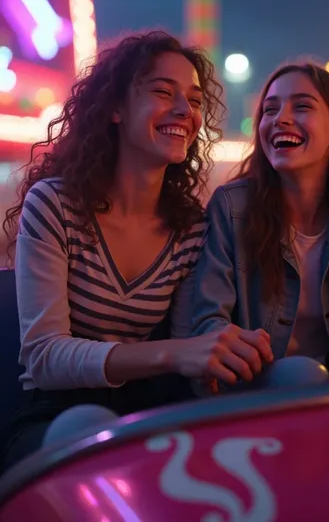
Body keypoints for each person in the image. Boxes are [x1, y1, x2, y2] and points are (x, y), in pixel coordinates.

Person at [2, 31, 272, 468]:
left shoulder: (188, 229)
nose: (185, 111)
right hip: (57, 414)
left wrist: (242, 351)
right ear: (114, 108)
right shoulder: (54, 205)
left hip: (148, 410)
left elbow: (191, 351)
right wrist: (174, 353)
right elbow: (45, 356)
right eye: (164, 92)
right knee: (88, 433)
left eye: (195, 100)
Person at [175, 61, 329, 390]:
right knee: (301, 374)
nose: (281, 118)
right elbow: (208, 317)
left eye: (301, 106)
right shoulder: (232, 207)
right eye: (270, 110)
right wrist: (235, 344)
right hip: (260, 384)